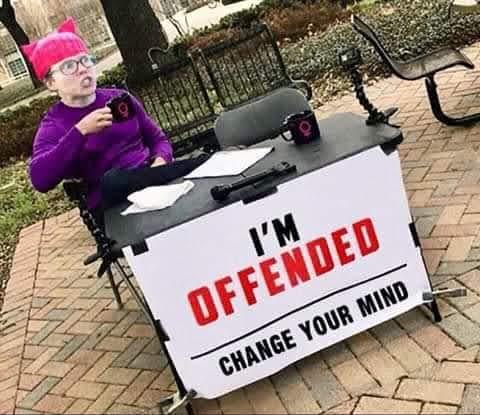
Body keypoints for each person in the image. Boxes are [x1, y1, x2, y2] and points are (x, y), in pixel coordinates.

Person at [23, 17, 203, 223]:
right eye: (69, 66)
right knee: (113, 180)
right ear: (50, 83)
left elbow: (157, 139)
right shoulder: (54, 125)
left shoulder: (119, 99)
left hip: (154, 181)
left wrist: (160, 161)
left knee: (201, 165)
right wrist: (80, 131)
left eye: (85, 60)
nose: (82, 69)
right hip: (113, 204)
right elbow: (40, 180)